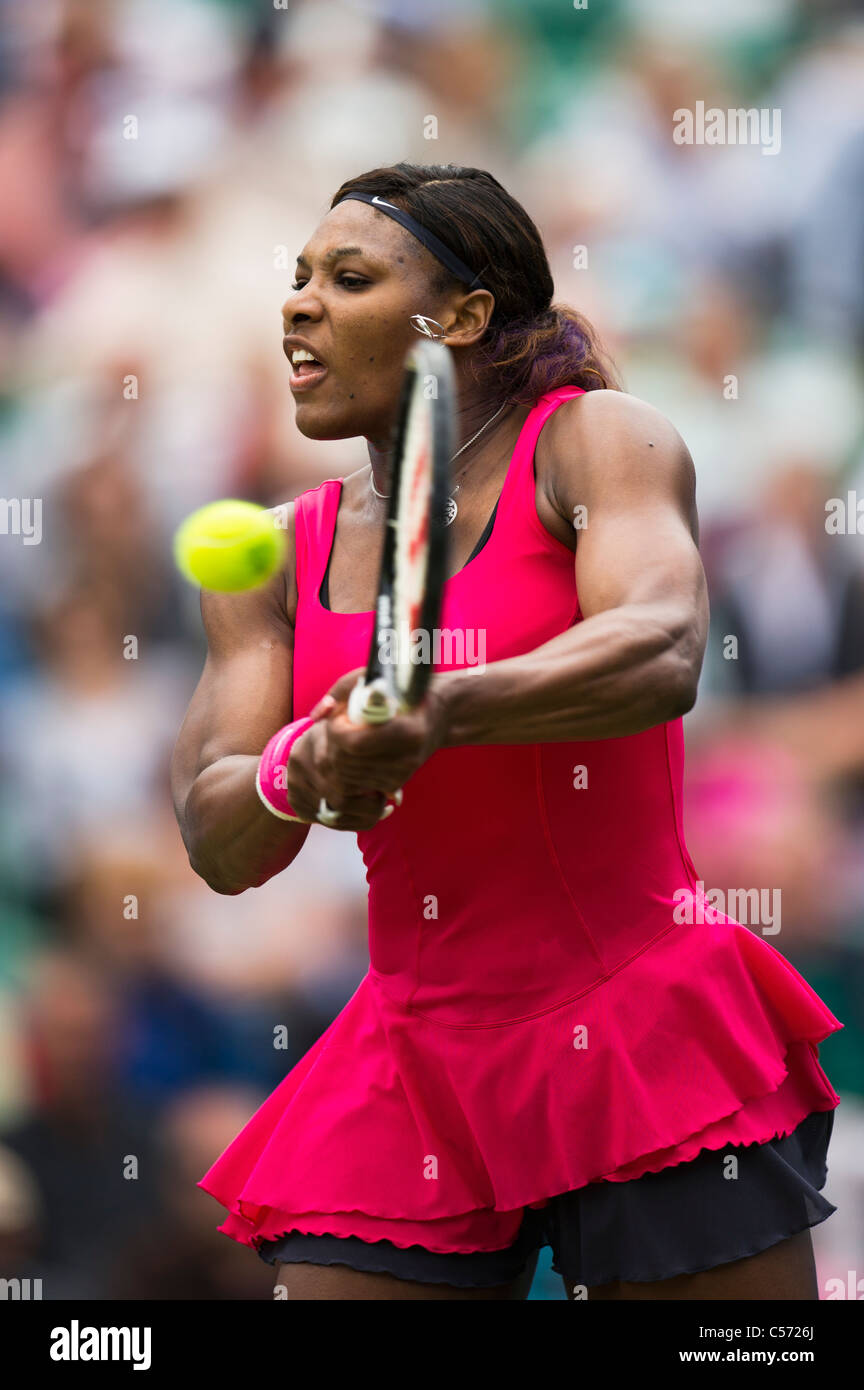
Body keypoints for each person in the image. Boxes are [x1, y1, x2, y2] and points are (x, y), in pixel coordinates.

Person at [171, 163, 842, 1301]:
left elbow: (663, 646)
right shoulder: (275, 555)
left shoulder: (597, 443)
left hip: (638, 1024)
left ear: (465, 316)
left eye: (347, 277)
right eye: (295, 279)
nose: (297, 302)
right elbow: (217, 835)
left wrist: (441, 710)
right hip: (410, 1054)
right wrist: (306, 765)